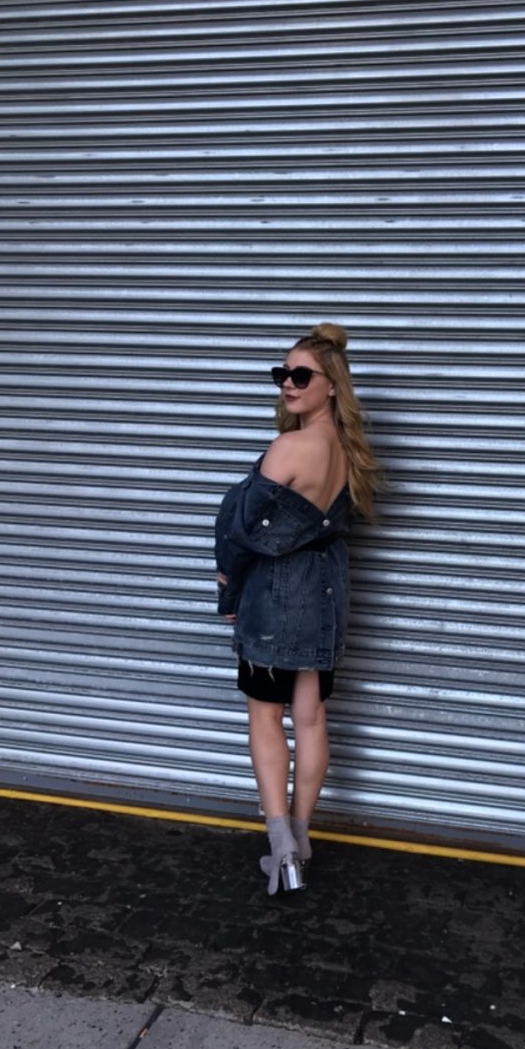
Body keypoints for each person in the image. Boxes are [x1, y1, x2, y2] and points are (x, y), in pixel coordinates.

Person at [214, 323, 380, 895]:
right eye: (282, 374)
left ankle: (280, 845)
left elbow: (240, 531)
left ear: (332, 384)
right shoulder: (350, 452)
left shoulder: (290, 447)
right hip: (326, 590)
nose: (288, 383)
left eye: (301, 375)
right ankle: (302, 839)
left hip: (278, 591)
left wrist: (229, 590)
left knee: (265, 717)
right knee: (310, 718)